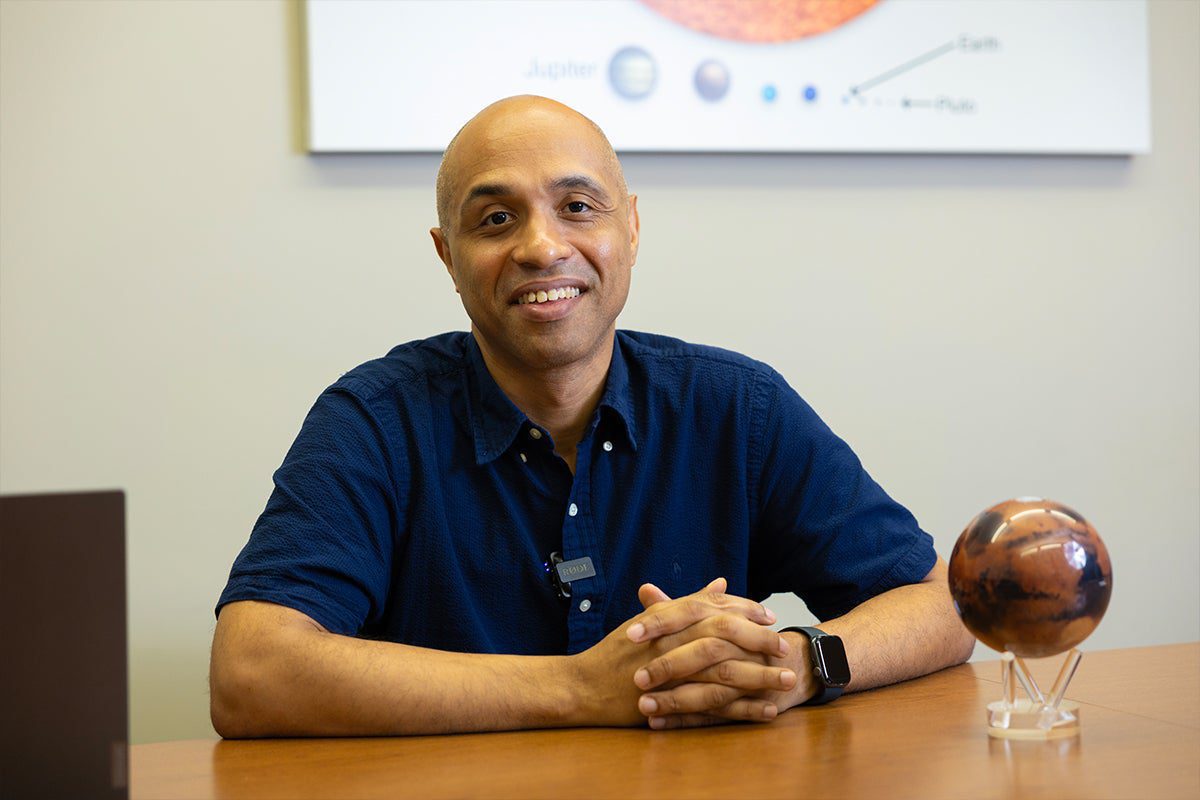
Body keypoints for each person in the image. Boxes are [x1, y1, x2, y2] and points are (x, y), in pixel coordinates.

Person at [209, 96, 974, 737]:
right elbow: (250, 672)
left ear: (631, 229)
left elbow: (945, 605)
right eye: (497, 220)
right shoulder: (375, 420)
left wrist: (803, 664)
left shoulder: (737, 407)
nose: (543, 247)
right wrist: (577, 688)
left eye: (578, 207)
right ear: (447, 256)